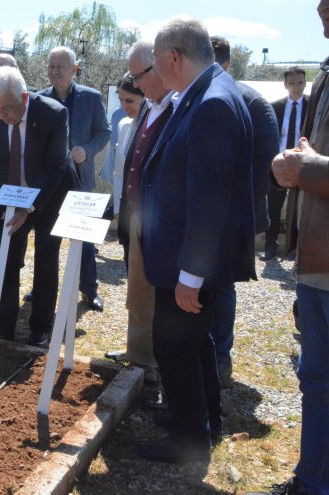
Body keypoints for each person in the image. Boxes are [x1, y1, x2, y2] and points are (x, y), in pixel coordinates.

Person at [137, 17, 255, 465]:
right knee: (195, 344)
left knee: (176, 347)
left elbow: (209, 202)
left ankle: (190, 441)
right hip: (183, 255)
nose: (154, 73)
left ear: (173, 57)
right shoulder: (208, 92)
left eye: (156, 63)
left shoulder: (212, 103)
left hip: (190, 261)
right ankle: (205, 419)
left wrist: (190, 274)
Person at [265, 4, 329, 493]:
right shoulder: (326, 77)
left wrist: (309, 168)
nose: (320, 9)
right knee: (315, 379)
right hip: (315, 260)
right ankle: (311, 479)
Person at [0, 66, 77, 344]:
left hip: (49, 195)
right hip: (10, 195)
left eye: (8, 108)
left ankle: (39, 327)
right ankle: (4, 327)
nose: (3, 116)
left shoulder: (53, 113)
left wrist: (27, 206)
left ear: (25, 97)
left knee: (46, 257)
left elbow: (55, 167)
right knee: (5, 258)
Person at [209, 36, 279, 387]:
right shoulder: (198, 98)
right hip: (206, 215)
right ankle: (203, 354)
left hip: (236, 218)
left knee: (221, 286)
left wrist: (234, 216)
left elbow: (264, 166)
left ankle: (220, 358)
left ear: (223, 65)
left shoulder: (252, 102)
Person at [106, 40, 174, 387]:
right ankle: (139, 358)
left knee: (158, 299)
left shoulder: (175, 108)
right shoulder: (149, 110)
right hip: (138, 218)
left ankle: (151, 365)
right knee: (138, 294)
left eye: (139, 77)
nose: (137, 85)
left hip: (162, 224)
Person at [37, 46, 110, 312]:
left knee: (84, 241)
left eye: (61, 67)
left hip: (80, 181)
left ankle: (89, 290)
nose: (55, 71)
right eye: (51, 66)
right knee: (47, 239)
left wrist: (86, 150)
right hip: (50, 184)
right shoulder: (39, 99)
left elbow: (104, 133)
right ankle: (42, 290)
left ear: (74, 69)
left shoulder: (91, 98)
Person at [266, 66, 308, 260]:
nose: (296, 87)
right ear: (285, 84)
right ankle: (270, 248)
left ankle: (298, 250)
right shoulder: (275, 107)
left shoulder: (313, 107)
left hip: (305, 166)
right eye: (292, 83)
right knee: (273, 208)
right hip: (280, 166)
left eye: (300, 82)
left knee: (302, 210)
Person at [107, 76, 144, 216]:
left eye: (129, 101)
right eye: (121, 100)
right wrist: (117, 209)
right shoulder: (123, 124)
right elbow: (118, 173)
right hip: (126, 209)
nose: (123, 106)